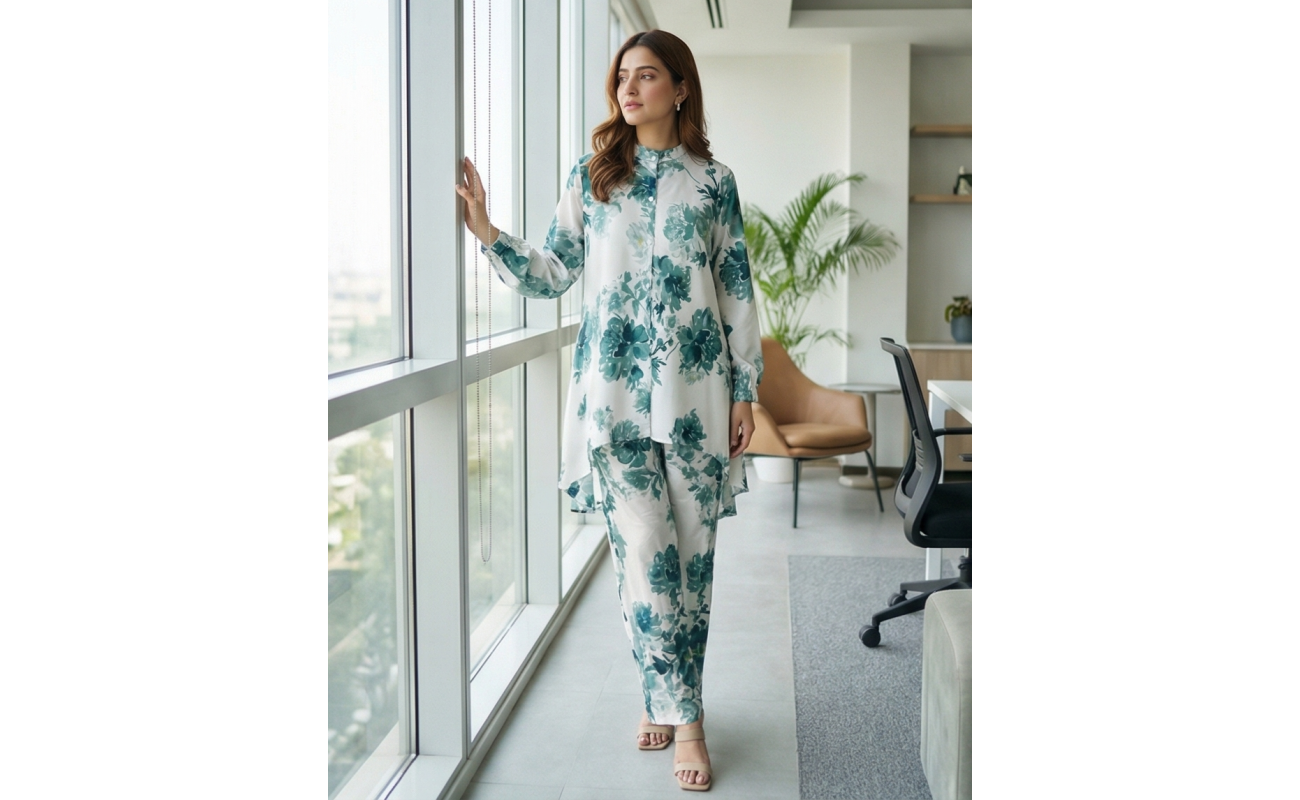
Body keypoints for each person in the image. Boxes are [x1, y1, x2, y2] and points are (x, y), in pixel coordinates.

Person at [455, 28, 762, 793]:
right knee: (649, 553)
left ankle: (660, 694)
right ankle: (687, 720)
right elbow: (556, 270)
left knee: (689, 562)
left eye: (648, 76)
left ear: (680, 89)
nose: (629, 89)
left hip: (696, 398)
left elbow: (736, 291)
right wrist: (490, 233)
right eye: (623, 76)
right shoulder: (594, 178)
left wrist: (748, 390)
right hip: (614, 398)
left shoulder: (714, 183)